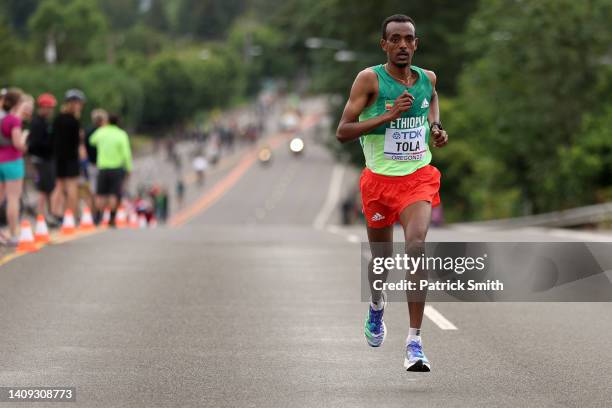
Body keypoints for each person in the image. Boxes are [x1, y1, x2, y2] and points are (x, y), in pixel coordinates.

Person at [336, 14, 449, 372]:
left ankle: (414, 341)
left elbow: (431, 99)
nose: (402, 45)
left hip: (418, 178)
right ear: (383, 44)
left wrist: (436, 127)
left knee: (416, 246)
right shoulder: (369, 80)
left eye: (408, 39)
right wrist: (386, 117)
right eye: (395, 39)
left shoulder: (426, 79)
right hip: (379, 183)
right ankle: (376, 304)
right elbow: (343, 131)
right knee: (381, 262)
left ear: (416, 44)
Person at [0, 91, 33, 245]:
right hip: (13, 161)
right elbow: (17, 144)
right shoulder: (14, 120)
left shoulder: (2, 119)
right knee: (13, 199)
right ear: (17, 103)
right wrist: (25, 139)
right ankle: (14, 234)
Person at [89, 113, 132, 225]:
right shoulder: (121, 134)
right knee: (113, 194)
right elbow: (126, 154)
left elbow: (92, 141)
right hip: (116, 167)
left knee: (101, 193)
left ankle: (98, 216)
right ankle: (112, 218)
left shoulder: (102, 131)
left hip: (102, 166)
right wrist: (128, 168)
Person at [28, 93, 61, 224]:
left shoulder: (45, 122)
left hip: (46, 158)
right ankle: (41, 215)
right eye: (50, 108)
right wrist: (51, 142)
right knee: (44, 189)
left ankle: (45, 215)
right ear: (43, 107)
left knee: (48, 188)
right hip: (41, 159)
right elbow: (35, 143)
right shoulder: (37, 123)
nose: (51, 111)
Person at [53, 89, 86, 217]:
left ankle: (55, 213)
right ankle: (70, 215)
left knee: (59, 186)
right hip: (71, 157)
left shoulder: (58, 119)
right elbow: (77, 142)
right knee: (72, 187)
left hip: (59, 157)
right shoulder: (74, 121)